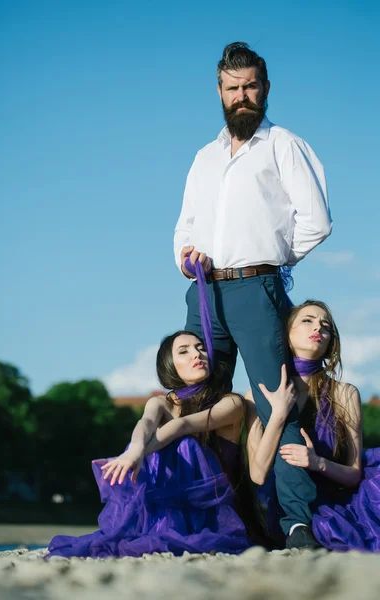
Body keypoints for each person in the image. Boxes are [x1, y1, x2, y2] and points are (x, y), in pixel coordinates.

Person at [174, 41, 332, 548]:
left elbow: (316, 222)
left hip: (258, 290)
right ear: (218, 92)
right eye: (232, 88)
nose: (242, 96)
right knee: (198, 403)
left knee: (274, 404)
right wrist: (185, 256)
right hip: (202, 295)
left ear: (265, 89)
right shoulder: (203, 157)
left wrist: (269, 259)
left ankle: (295, 523)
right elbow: (185, 226)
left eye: (250, 87)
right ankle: (203, 517)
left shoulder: (284, 144)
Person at [47, 330, 268, 559]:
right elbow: (146, 423)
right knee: (144, 444)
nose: (197, 354)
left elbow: (181, 426)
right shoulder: (161, 402)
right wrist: (132, 451)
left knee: (185, 445)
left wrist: (139, 453)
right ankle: (156, 526)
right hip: (169, 506)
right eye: (184, 351)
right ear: (169, 364)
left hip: (217, 511)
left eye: (201, 348)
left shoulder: (231, 402)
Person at [246, 299, 380, 551]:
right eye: (307, 321)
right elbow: (258, 473)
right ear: (285, 334)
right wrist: (278, 414)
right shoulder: (256, 395)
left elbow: (353, 474)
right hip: (287, 506)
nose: (318, 328)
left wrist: (317, 462)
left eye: (325, 325)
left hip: (339, 498)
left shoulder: (344, 393)